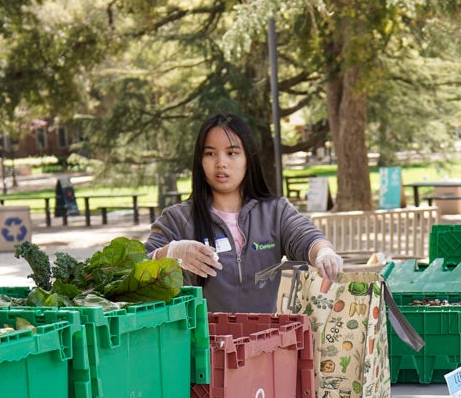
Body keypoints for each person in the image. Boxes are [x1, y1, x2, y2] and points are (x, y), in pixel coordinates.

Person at [145, 113, 343, 313]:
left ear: (249, 158)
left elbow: (305, 235)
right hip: (201, 341)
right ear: (200, 160)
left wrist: (323, 253)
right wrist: (167, 253)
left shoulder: (275, 212)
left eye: (232, 153)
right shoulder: (177, 219)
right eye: (210, 153)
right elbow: (135, 270)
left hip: (263, 340)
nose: (221, 163)